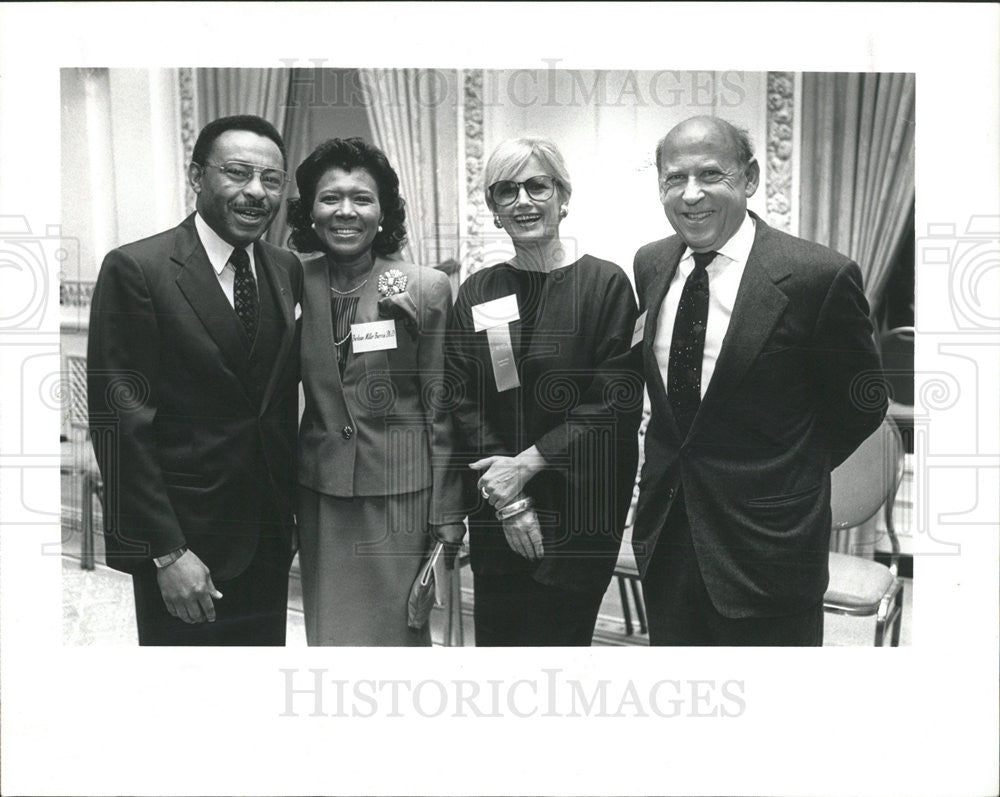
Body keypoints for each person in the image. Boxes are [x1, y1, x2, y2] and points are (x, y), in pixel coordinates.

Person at [632, 115, 887, 646]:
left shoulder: (818, 276)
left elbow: (862, 402)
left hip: (768, 548)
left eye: (710, 175)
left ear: (748, 178)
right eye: (674, 178)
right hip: (669, 536)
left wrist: (788, 471)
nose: (691, 194)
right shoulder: (651, 262)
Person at [87, 115, 302, 645]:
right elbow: (120, 426)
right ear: (197, 175)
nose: (256, 192)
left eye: (271, 180)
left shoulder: (284, 268)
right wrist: (166, 552)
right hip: (185, 547)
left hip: (269, 537)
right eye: (237, 173)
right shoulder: (137, 269)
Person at [446, 136, 643, 646]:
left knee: (561, 653)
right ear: (493, 210)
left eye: (538, 186)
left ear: (563, 196)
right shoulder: (479, 291)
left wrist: (527, 465)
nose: (524, 201)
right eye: (506, 191)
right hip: (498, 506)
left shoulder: (606, 285)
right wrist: (508, 497)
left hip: (581, 508)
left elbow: (614, 403)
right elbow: (461, 396)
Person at [287, 137, 464, 646]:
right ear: (310, 211)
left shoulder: (416, 285)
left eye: (362, 198)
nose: (346, 211)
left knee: (396, 637)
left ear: (383, 211)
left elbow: (441, 407)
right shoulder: (293, 278)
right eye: (330, 198)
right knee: (329, 635)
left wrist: (447, 511)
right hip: (320, 494)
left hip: (400, 499)